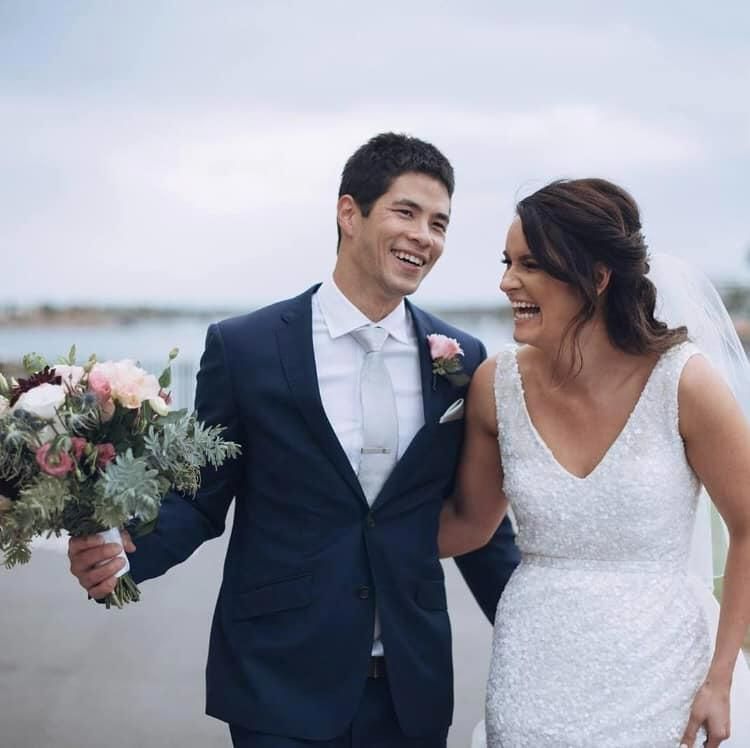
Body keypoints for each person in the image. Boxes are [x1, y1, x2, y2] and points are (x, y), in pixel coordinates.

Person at [67, 132, 520, 748]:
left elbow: (477, 521)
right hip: (278, 676)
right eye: (406, 212)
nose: (425, 236)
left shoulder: (463, 359)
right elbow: (201, 496)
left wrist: (534, 630)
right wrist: (123, 556)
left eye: (439, 223)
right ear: (349, 213)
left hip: (412, 684)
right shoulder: (247, 347)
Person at [438, 178, 750, 747]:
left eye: (530, 264)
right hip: (533, 672)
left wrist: (720, 678)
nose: (508, 282)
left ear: (598, 277)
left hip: (661, 677)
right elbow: (467, 523)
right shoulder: (495, 385)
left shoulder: (684, 382)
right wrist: (339, 520)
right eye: (507, 262)